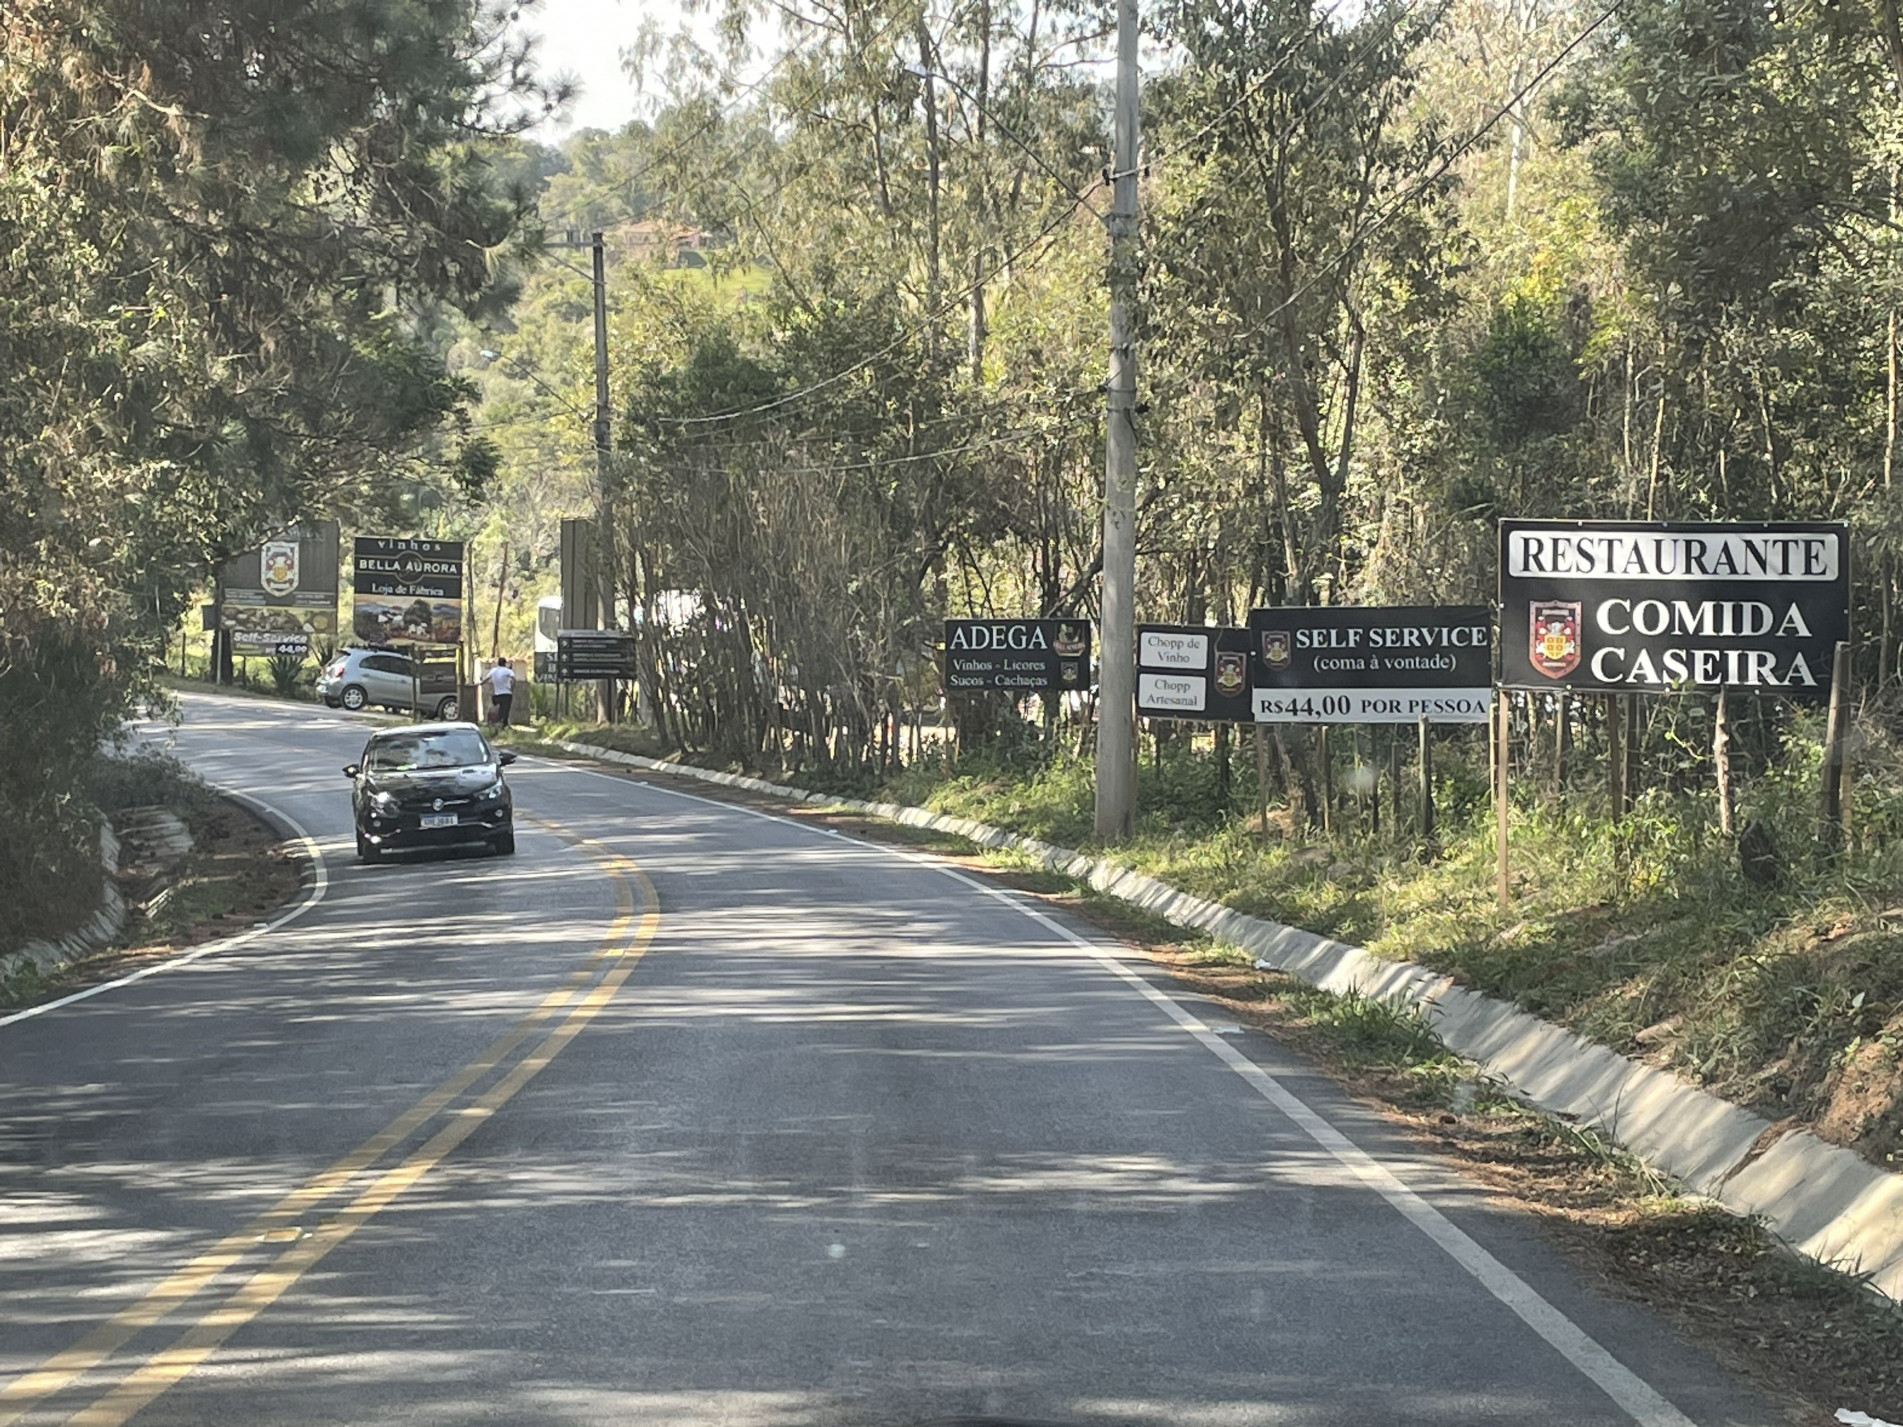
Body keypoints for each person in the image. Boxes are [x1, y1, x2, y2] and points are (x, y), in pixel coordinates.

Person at [486, 657, 515, 727]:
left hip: (497, 694)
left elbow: (486, 679)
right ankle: (504, 724)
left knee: (498, 709)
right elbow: (514, 679)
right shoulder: (507, 671)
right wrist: (512, 688)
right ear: (505, 663)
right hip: (507, 693)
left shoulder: (494, 670)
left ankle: (497, 722)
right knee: (505, 710)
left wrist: (479, 684)